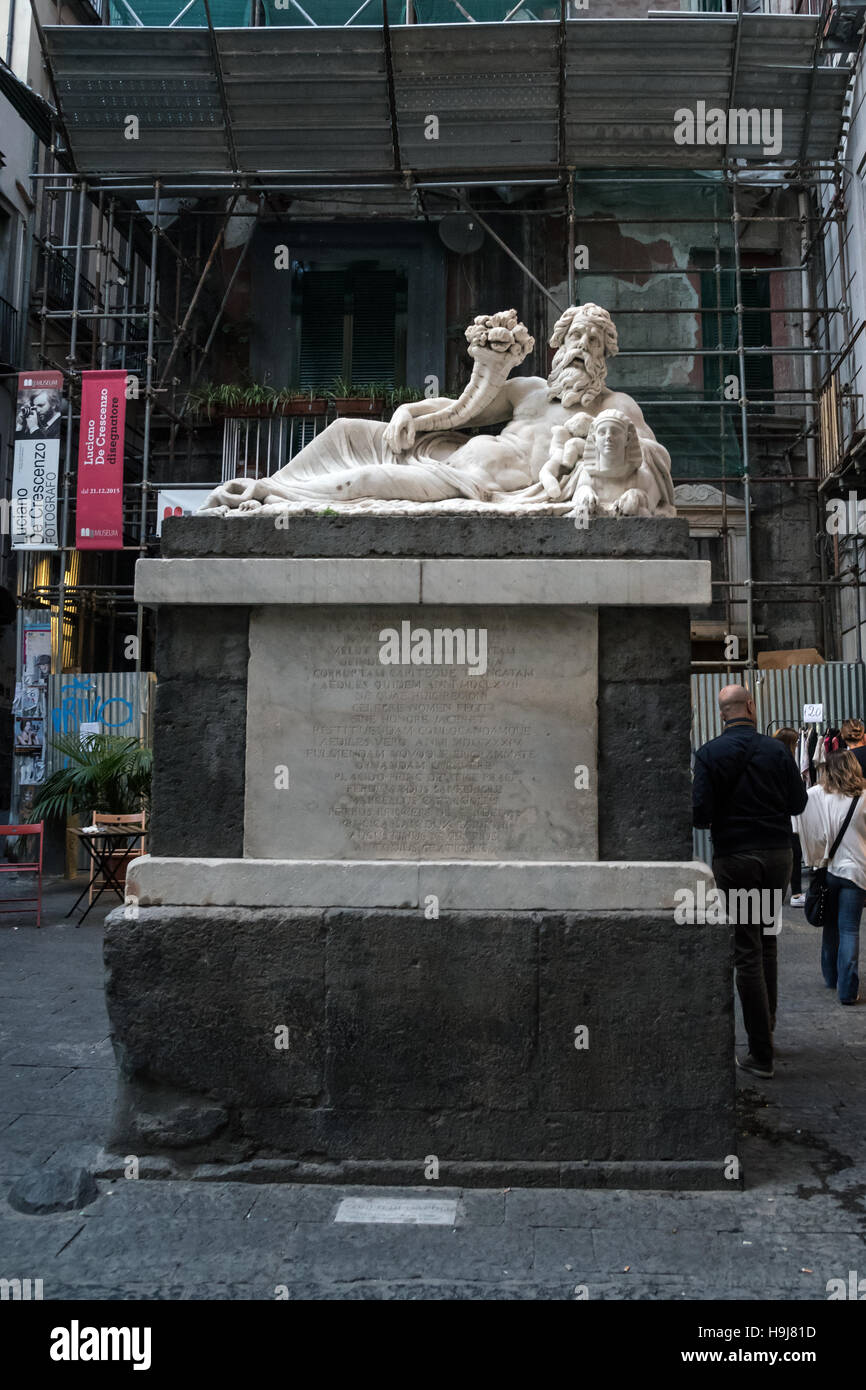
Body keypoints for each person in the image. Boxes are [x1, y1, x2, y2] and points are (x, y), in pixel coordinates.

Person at [693, 685, 808, 1080]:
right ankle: (768, 1029)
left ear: (722, 712)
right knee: (768, 939)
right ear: (752, 707)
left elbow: (700, 812)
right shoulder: (777, 750)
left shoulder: (709, 754)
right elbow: (797, 803)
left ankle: (761, 1053)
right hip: (777, 856)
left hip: (737, 858)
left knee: (746, 949)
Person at [795, 750, 866, 1007]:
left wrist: (814, 851)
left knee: (831, 927)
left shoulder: (817, 795)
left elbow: (798, 816)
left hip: (828, 870)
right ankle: (847, 992)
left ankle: (831, 977)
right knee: (849, 930)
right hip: (857, 872)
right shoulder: (864, 797)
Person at [774, 727, 806, 907]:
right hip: (787, 815)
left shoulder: (772, 757)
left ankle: (790, 893)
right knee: (794, 852)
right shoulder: (787, 760)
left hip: (778, 814)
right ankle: (795, 893)